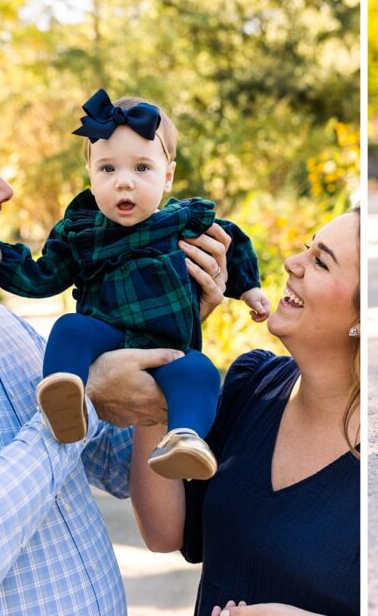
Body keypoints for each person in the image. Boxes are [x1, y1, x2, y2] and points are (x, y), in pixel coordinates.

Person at [0, 91, 229, 613]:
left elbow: (126, 469)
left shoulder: (0, 326)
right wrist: (82, 403)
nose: (3, 190)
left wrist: (161, 337)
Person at [0, 89, 270, 481]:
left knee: (200, 371)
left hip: (168, 345)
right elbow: (42, 276)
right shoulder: (81, 231)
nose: (124, 183)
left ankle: (184, 437)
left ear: (167, 176)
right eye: (108, 169)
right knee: (70, 329)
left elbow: (233, 241)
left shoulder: (182, 220)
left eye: (141, 168)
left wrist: (250, 288)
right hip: (105, 333)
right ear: (89, 174)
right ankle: (63, 394)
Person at [129, 209, 361, 616]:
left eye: (321, 261)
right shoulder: (250, 385)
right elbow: (165, 533)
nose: (292, 263)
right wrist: (171, 338)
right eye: (308, 249)